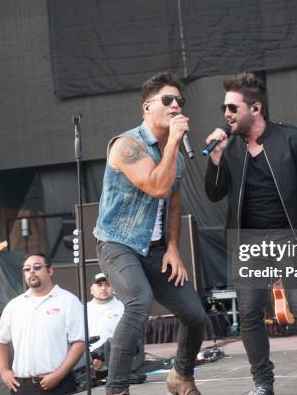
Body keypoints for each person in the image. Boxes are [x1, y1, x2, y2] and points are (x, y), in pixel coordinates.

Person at [204, 72, 297, 395]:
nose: (226, 114)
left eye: (233, 108)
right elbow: (214, 193)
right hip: (247, 242)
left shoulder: (289, 137)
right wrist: (216, 158)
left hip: (288, 236)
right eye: (224, 108)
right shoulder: (230, 148)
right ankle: (263, 384)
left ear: (256, 108)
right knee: (248, 313)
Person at [93, 71, 206, 395]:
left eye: (179, 101)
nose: (175, 106)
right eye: (167, 100)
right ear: (146, 107)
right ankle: (116, 390)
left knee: (195, 313)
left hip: (155, 249)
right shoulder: (126, 145)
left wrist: (172, 248)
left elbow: (173, 205)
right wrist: (172, 141)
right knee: (139, 300)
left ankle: (181, 375)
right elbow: (157, 187)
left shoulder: (176, 159)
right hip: (117, 243)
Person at [0, 253, 85, 394]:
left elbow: (80, 342)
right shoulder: (14, 305)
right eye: (26, 269)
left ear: (50, 270)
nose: (31, 271)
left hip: (58, 384)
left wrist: (59, 375)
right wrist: (4, 371)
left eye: (37, 267)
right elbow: (0, 339)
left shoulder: (68, 301)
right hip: (22, 386)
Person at [87, 272, 124, 354]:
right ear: (92, 290)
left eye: (107, 284)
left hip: (113, 357)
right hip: (87, 358)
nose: (103, 288)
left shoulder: (123, 308)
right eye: (99, 285)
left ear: (113, 288)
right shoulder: (83, 309)